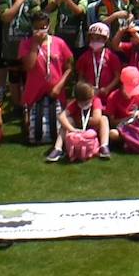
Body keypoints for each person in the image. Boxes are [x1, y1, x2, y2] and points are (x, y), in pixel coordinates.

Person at [20, 12, 71, 147]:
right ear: (32, 27)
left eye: (43, 27)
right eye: (36, 27)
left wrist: (60, 85)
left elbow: (69, 67)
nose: (40, 30)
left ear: (48, 26)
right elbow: (28, 66)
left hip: (56, 92)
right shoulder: (26, 44)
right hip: (34, 92)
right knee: (31, 129)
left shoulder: (59, 43)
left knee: (58, 125)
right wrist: (34, 45)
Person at [53, 82, 109, 164]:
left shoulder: (96, 100)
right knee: (68, 120)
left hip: (92, 129)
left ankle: (104, 146)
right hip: (77, 130)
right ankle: (57, 148)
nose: (84, 104)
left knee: (104, 119)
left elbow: (97, 119)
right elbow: (61, 116)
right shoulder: (74, 104)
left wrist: (86, 121)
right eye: (82, 102)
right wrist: (72, 129)